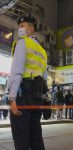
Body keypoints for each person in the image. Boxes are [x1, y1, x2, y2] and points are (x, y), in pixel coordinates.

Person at [8, 15, 47, 150]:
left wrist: (12, 97)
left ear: (31, 28)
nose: (20, 28)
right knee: (36, 134)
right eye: (19, 26)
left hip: (22, 95)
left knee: (21, 136)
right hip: (37, 96)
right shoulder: (43, 51)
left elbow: (17, 71)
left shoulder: (23, 42)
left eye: (22, 25)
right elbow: (45, 77)